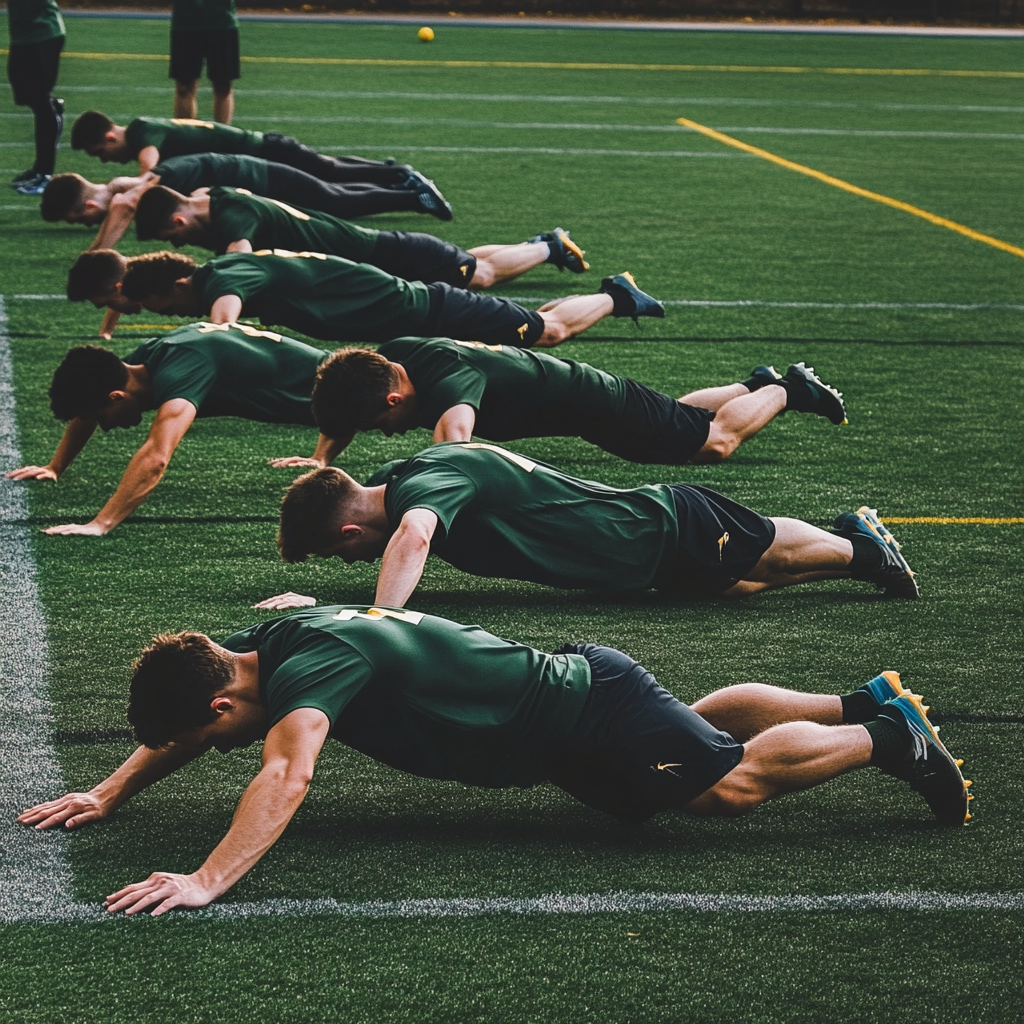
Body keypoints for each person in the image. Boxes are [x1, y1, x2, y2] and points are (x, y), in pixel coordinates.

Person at [17, 607, 971, 916]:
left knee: (730, 790)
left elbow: (287, 773)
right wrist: (108, 790)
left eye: (203, 738)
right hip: (570, 717)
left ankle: (889, 738)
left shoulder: (311, 673)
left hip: (581, 714)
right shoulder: (266, 645)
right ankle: (863, 703)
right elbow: (190, 725)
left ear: (227, 702)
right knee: (696, 743)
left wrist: (206, 878)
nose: (206, 751)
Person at [263, 442, 920, 611]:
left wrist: (380, 622)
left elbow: (413, 538)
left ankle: (862, 551)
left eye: (342, 558)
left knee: (764, 557)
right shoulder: (406, 473)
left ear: (348, 534)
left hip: (655, 525)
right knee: (734, 586)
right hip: (637, 557)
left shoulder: (420, 491)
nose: (353, 566)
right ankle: (848, 537)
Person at [299, 338, 844, 471]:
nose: (390, 433)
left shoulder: (447, 385)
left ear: (394, 397)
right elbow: (348, 393)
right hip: (586, 398)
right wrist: (324, 459)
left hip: (595, 404)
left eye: (384, 424)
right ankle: (754, 386)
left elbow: (456, 440)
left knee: (711, 443)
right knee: (679, 419)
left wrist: (427, 483)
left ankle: (788, 390)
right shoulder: (391, 360)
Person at [3, 321, 339, 536]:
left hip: (366, 394)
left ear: (116, 396)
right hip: (347, 398)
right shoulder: (144, 361)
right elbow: (86, 410)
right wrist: (55, 466)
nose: (104, 428)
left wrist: (100, 523)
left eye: (102, 417)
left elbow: (157, 456)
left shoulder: (182, 369)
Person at [118, 249, 664, 349]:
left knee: (548, 333)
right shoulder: (226, 265)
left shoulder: (220, 283)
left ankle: (614, 297)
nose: (169, 317)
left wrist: (210, 338)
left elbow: (223, 324)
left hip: (431, 309)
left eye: (161, 309)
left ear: (175, 287)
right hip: (416, 320)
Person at [135, 185, 589, 290]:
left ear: (176, 222)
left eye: (172, 240)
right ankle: (541, 244)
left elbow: (240, 260)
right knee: (464, 259)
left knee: (479, 275)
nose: (179, 247)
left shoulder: (230, 215)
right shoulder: (213, 197)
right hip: (378, 249)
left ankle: (549, 246)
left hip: (388, 255)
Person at [68, 110, 453, 218]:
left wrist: (132, 194)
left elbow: (147, 168)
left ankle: (401, 179)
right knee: (329, 174)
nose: (105, 159)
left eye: (100, 153)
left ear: (108, 137)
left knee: (329, 177)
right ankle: (395, 175)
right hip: (260, 156)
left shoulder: (141, 134)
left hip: (265, 153)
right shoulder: (144, 127)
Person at [6, 0, 65, 195]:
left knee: (40, 100)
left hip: (43, 32)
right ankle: (55, 110)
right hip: (23, 34)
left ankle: (45, 173)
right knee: (29, 97)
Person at [169, 0, 239, 125]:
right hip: (185, 23)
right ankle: (185, 138)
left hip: (222, 23)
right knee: (183, 87)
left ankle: (223, 138)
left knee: (222, 85)